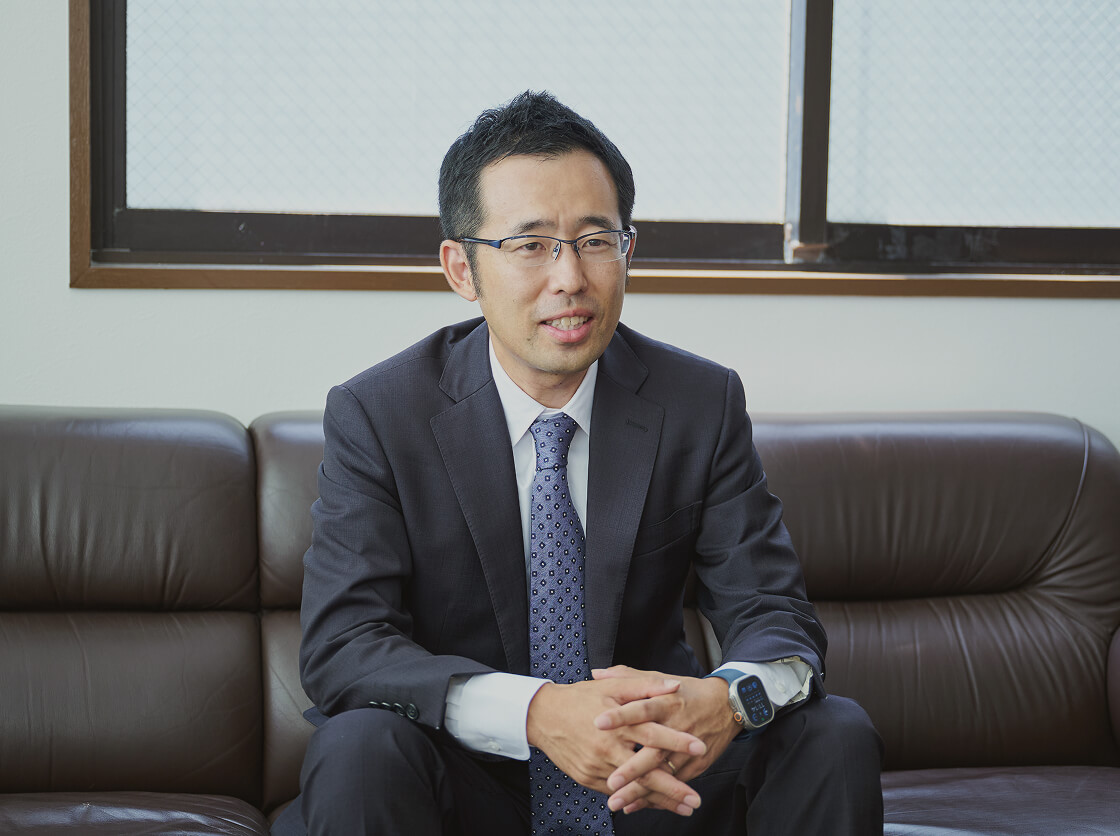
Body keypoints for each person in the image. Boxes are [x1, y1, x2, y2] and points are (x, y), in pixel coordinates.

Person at [280, 91, 883, 836]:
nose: (569, 277)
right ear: (462, 269)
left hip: (657, 778)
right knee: (360, 748)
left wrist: (728, 700)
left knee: (832, 732)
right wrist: (537, 712)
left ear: (627, 251)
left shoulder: (699, 403)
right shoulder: (379, 414)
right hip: (470, 783)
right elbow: (344, 646)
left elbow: (773, 613)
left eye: (596, 240)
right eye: (530, 245)